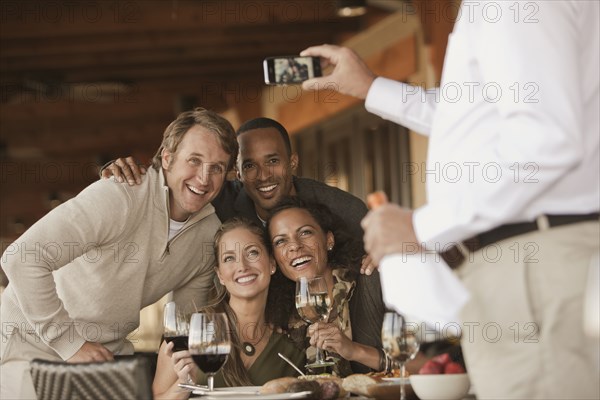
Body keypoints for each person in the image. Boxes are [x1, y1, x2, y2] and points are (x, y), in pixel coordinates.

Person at [300, 1, 600, 398]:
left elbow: (545, 140)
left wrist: (420, 227)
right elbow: (484, 121)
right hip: (533, 260)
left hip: (535, 264)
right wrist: (373, 88)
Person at [0, 108, 239, 399]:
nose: (204, 178)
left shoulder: (209, 235)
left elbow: (184, 328)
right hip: (25, 348)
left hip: (102, 358)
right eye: (195, 160)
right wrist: (70, 343)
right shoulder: (121, 195)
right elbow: (22, 258)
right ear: (167, 157)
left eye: (217, 167)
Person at [102, 117, 376, 274]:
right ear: (237, 173)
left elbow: (386, 255)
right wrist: (125, 173)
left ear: (293, 162)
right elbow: (174, 183)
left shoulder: (343, 209)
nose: (263, 175)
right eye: (249, 165)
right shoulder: (218, 198)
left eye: (273, 161)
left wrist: (393, 251)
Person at [153, 218, 304, 399]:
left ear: (272, 264)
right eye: (229, 258)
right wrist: (186, 382)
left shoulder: (291, 345)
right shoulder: (186, 333)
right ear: (220, 275)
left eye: (253, 253)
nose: (242, 266)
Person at [265, 197, 387, 377]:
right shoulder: (282, 318)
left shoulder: (372, 278)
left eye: (305, 232)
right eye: (280, 241)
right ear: (274, 258)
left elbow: (423, 362)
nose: (295, 246)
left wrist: (354, 351)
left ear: (329, 240)